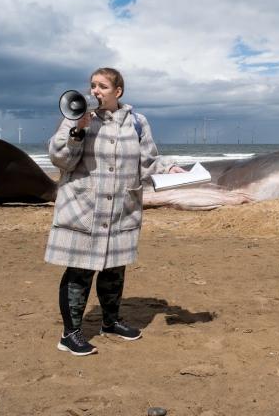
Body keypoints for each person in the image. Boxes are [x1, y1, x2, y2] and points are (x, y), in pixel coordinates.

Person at [45, 67, 185, 356]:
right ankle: (69, 335)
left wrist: (170, 168)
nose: (95, 91)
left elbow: (148, 160)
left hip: (121, 207)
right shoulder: (78, 117)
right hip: (84, 207)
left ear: (118, 91)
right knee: (80, 270)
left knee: (114, 268)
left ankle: (110, 322)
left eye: (102, 86)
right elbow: (60, 160)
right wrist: (77, 131)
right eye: (92, 85)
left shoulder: (137, 122)